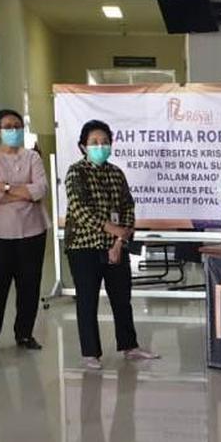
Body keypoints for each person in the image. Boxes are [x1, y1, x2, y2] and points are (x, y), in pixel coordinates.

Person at [64, 119, 159, 370]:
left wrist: (119, 241)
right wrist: (112, 229)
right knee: (87, 300)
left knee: (121, 298)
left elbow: (128, 207)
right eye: (94, 142)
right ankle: (90, 353)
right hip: (83, 247)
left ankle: (129, 346)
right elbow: (80, 210)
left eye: (105, 142)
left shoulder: (116, 173)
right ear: (83, 146)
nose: (100, 146)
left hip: (116, 245)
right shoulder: (76, 172)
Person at [0, 109, 50, 356]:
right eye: (8, 126)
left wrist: (5, 188)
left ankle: (25, 333)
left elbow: (40, 189)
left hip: (32, 230)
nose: (14, 130)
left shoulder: (32, 157)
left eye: (18, 126)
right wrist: (24, 194)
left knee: (29, 284)